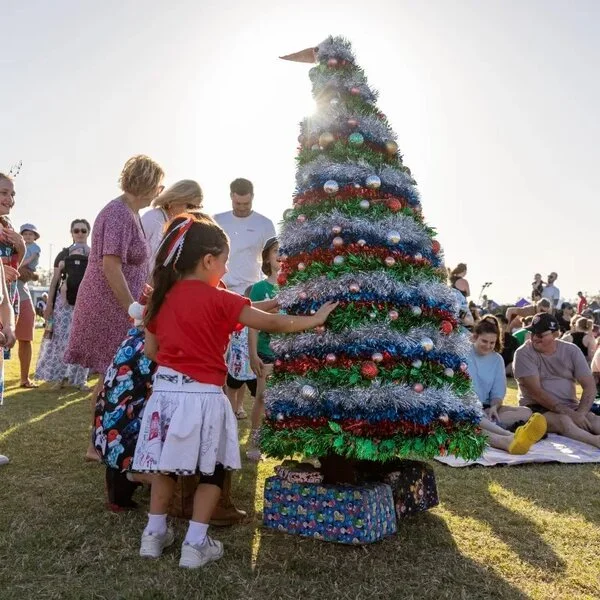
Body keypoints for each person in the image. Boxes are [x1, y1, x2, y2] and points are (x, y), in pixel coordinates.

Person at [131, 215, 337, 569]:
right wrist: (315, 319)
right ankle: (195, 543)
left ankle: (153, 534)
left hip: (165, 395)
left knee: (165, 467)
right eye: (225, 261)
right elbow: (271, 323)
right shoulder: (220, 300)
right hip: (205, 397)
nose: (227, 268)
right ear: (208, 260)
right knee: (212, 471)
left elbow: (151, 350)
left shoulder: (161, 298)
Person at [65, 155, 164, 462]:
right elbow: (111, 266)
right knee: (111, 375)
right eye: (158, 184)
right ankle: (96, 445)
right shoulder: (118, 213)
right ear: (147, 183)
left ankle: (99, 442)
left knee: (111, 376)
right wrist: (132, 307)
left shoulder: (131, 213)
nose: (160, 191)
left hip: (120, 305)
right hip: (108, 306)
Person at [514, 313, 600, 448]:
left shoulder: (571, 350)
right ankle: (595, 441)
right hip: (535, 407)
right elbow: (536, 393)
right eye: (532, 333)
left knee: (593, 419)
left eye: (540, 334)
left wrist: (581, 414)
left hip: (570, 406)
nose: (534, 338)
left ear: (555, 334)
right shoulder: (523, 353)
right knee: (563, 421)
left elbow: (590, 386)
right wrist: (571, 414)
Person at [467, 316, 546, 454]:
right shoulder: (463, 353)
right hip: (467, 407)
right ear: (475, 337)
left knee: (526, 412)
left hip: (487, 409)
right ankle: (510, 435)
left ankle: (498, 427)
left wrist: (494, 407)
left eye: (492, 342)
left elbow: (497, 393)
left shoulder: (497, 359)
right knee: (473, 417)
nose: (488, 346)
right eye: (484, 341)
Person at [35, 220, 91, 389]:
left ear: (88, 232)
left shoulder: (94, 254)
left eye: (83, 230)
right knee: (60, 341)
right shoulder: (63, 254)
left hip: (86, 302)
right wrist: (49, 305)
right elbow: (54, 282)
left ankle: (80, 380)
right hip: (63, 304)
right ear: (71, 233)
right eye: (76, 230)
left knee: (83, 341)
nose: (80, 233)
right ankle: (59, 378)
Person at [213, 178, 276, 294]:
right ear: (231, 196)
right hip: (221, 289)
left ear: (252, 197)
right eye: (238, 204)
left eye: (246, 204)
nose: (242, 208)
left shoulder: (265, 224)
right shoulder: (217, 220)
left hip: (252, 290)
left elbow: (273, 257)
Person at [247, 237, 279, 460]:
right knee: (262, 396)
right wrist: (252, 354)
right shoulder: (259, 289)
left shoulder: (298, 286)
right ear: (267, 257)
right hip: (265, 351)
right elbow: (252, 325)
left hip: (291, 352)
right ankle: (255, 440)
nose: (281, 255)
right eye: (276, 250)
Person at [0, 173, 21, 465]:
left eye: (12, 194)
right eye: (3, 192)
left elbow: (4, 298)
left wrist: (9, 326)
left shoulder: (8, 230)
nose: (9, 199)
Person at [141, 180, 203, 258]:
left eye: (196, 208)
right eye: (190, 206)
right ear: (178, 198)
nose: (191, 212)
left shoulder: (179, 227)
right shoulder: (152, 218)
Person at [224, 285, 257, 420]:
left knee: (245, 384)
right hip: (236, 362)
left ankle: (239, 406)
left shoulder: (257, 319)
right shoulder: (236, 316)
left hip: (251, 364)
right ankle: (231, 412)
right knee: (233, 386)